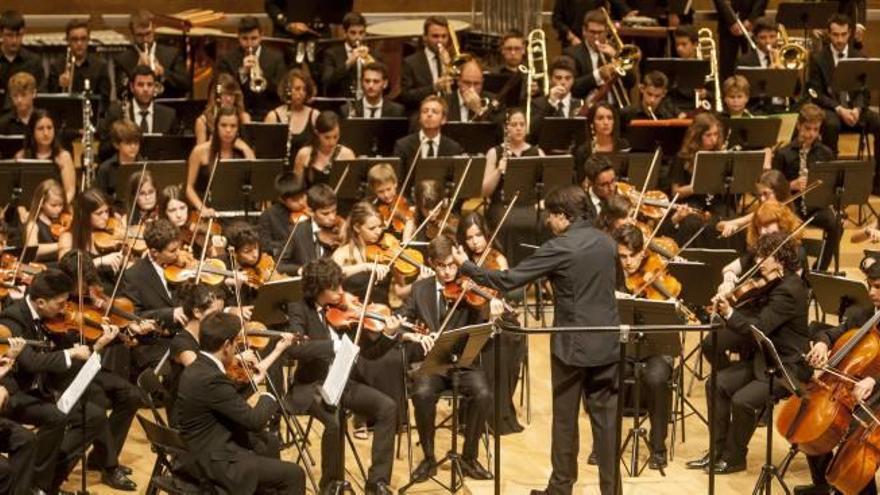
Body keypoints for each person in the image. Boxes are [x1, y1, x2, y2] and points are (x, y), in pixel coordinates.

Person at [451, 184, 621, 495]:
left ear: (563, 216)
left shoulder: (561, 247)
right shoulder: (608, 242)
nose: (547, 223)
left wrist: (467, 267)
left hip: (572, 346)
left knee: (566, 421)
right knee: (607, 424)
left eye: (551, 217)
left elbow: (509, 280)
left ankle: (560, 489)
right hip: (608, 343)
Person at [688, 231, 811, 474]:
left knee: (742, 400)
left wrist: (730, 313)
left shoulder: (790, 289)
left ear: (780, 259)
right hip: (762, 360)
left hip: (785, 365)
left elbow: (760, 327)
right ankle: (716, 452)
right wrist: (730, 296)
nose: (757, 262)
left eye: (763, 257)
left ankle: (734, 457)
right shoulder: (775, 282)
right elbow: (754, 311)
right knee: (716, 384)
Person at [285, 257, 403, 494]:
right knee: (333, 420)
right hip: (311, 386)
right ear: (318, 289)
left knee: (388, 407)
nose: (341, 292)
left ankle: (377, 482)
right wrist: (332, 345)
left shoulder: (343, 311)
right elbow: (294, 349)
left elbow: (369, 353)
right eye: (334, 288)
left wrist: (389, 335)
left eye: (341, 285)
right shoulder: (299, 309)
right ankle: (331, 484)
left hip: (341, 382)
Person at [1, 269, 122, 493]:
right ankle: (35, 484)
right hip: (15, 394)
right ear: (40, 302)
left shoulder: (52, 319)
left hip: (45, 390)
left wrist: (98, 344)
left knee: (94, 416)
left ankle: (50, 479)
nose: (65, 309)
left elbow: (70, 352)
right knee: (55, 418)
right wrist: (71, 354)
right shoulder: (14, 317)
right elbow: (31, 362)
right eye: (60, 303)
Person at [398, 236, 497, 483]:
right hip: (433, 364)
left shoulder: (470, 286)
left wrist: (491, 313)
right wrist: (412, 335)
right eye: (442, 266)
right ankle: (429, 458)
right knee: (421, 394)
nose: (448, 271)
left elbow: (483, 320)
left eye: (452, 265)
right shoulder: (420, 289)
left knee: (484, 394)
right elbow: (402, 320)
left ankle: (469, 457)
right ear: (432, 264)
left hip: (465, 362)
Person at [175, 311, 304, 494]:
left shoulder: (201, 367)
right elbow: (254, 421)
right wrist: (269, 396)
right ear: (226, 345)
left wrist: (257, 377)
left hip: (203, 449)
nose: (238, 349)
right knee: (294, 474)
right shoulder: (211, 378)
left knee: (269, 442)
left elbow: (227, 398)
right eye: (236, 343)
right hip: (216, 463)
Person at [795, 256, 880, 495]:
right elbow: (833, 333)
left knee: (854, 429)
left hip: (876, 391)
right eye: (870, 285)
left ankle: (859, 489)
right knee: (813, 419)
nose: (872, 292)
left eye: (878, 287)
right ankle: (822, 485)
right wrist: (822, 343)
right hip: (852, 388)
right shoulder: (861, 314)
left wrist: (873, 380)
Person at [612, 223, 676, 469]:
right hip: (625, 347)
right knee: (607, 375)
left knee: (656, 379)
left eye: (632, 256)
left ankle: (658, 446)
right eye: (622, 256)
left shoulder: (658, 273)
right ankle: (605, 443)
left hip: (657, 348)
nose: (627, 262)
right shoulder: (613, 275)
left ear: (642, 253)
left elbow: (671, 313)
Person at [456, 212, 525, 435]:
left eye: (479, 235)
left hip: (499, 316)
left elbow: (507, 291)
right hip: (473, 319)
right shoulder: (461, 262)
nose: (475, 241)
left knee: (508, 340)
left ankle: (499, 414)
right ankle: (475, 417)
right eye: (469, 237)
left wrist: (497, 301)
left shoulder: (498, 258)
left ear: (487, 234)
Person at [806, 13, 880, 194]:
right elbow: (815, 93)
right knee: (830, 124)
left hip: (855, 110)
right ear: (828, 34)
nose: (840, 39)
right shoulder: (817, 58)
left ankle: (878, 182)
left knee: (879, 122)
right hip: (832, 109)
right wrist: (839, 109)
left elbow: (864, 91)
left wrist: (857, 108)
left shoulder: (860, 56)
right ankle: (833, 183)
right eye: (835, 34)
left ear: (850, 33)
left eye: (843, 34)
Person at [771, 103, 840, 270]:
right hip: (791, 207)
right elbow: (772, 186)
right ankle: (796, 269)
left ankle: (819, 269)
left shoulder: (825, 153)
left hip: (815, 206)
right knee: (788, 229)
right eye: (807, 128)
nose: (811, 134)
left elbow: (832, 184)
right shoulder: (783, 153)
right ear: (799, 125)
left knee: (836, 224)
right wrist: (790, 185)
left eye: (816, 129)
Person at [483, 107, 545, 264]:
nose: (518, 128)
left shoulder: (537, 152)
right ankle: (508, 269)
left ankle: (539, 272)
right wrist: (498, 170)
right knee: (508, 224)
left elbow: (548, 186)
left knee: (545, 223)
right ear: (506, 128)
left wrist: (542, 202)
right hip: (502, 205)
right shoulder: (494, 152)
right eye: (514, 124)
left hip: (530, 205)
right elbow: (485, 191)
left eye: (522, 124)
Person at [185, 106, 256, 217]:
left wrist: (246, 149)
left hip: (237, 210)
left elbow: (256, 180)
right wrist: (203, 209)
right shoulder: (199, 151)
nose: (228, 130)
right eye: (223, 125)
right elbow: (188, 187)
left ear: (238, 129)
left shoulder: (243, 150)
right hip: (208, 209)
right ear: (216, 127)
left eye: (233, 126)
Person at [98, 65, 177, 161]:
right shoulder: (116, 112)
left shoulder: (168, 115)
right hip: (125, 170)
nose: (145, 89)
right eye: (140, 85)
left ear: (155, 87)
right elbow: (103, 150)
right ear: (131, 87)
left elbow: (174, 151)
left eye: (150, 84)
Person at [216, 16, 285, 122]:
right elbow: (224, 88)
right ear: (238, 37)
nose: (249, 44)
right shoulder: (227, 59)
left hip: (269, 113)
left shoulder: (276, 58)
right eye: (245, 39)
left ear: (261, 36)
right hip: (238, 115)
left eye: (254, 38)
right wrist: (242, 73)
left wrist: (262, 77)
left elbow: (281, 91)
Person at [113, 10, 190, 98]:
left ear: (154, 29)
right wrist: (136, 71)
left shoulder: (172, 53)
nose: (145, 39)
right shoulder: (122, 59)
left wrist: (164, 72)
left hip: (167, 105)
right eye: (140, 35)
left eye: (148, 33)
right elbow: (121, 93)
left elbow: (186, 85)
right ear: (132, 34)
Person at [564, 9, 634, 102]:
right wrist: (598, 75)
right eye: (592, 32)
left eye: (600, 32)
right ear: (584, 31)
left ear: (606, 31)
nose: (596, 36)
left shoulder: (615, 51)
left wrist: (617, 56)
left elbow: (631, 82)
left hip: (614, 108)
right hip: (586, 107)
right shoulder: (571, 54)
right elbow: (572, 88)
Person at [392, 95, 465, 178]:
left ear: (443, 119)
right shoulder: (403, 145)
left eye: (435, 112)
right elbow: (398, 179)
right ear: (420, 118)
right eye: (425, 111)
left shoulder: (453, 148)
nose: (429, 114)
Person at [14, 109, 76, 203]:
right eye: (40, 128)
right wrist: (22, 211)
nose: (46, 133)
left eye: (49, 128)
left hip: (57, 209)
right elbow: (16, 191)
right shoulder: (21, 157)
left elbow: (70, 191)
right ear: (32, 131)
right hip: (27, 209)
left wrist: (58, 208)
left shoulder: (64, 156)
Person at [47, 19, 110, 110]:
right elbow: (50, 102)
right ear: (68, 41)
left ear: (88, 40)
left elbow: (104, 101)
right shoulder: (56, 67)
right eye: (74, 39)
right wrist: (59, 86)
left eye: (83, 39)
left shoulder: (100, 66)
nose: (79, 43)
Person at [399, 16, 454, 111]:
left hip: (450, 112)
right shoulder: (410, 62)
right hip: (421, 113)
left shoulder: (454, 60)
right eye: (435, 36)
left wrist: (449, 66)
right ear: (424, 37)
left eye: (444, 36)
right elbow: (406, 96)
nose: (440, 41)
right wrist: (433, 88)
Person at [321, 12, 381, 98]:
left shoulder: (374, 54)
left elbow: (386, 85)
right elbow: (327, 82)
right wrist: (348, 63)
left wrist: (372, 65)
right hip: (341, 104)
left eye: (361, 33)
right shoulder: (332, 54)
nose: (358, 37)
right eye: (353, 33)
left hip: (366, 102)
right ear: (345, 33)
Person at [265, 68, 319, 163]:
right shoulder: (273, 116)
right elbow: (266, 152)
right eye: (297, 89)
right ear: (287, 90)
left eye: (304, 89)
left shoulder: (314, 115)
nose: (301, 93)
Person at [735, 16, 787, 113]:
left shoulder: (785, 57)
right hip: (757, 109)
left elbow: (797, 89)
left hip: (783, 107)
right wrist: (768, 74)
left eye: (772, 36)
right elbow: (742, 91)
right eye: (763, 37)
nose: (768, 41)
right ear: (755, 38)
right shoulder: (744, 61)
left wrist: (783, 72)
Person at [292, 110, 355, 187]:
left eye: (335, 137)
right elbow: (296, 188)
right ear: (317, 133)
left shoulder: (347, 154)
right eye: (327, 137)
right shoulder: (304, 154)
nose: (332, 142)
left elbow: (351, 187)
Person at [528, 55, 584, 137]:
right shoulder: (537, 104)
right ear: (550, 80)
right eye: (558, 78)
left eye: (568, 78)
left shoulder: (580, 104)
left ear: (573, 80)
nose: (563, 82)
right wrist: (550, 104)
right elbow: (533, 133)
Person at [713, 0, 767, 81]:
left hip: (752, 25)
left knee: (754, 65)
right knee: (727, 69)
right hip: (727, 26)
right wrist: (731, 21)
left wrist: (751, 19)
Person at [573, 101, 630, 175]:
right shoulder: (584, 151)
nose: (606, 122)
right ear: (592, 123)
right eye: (600, 118)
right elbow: (580, 181)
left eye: (609, 118)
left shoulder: (623, 145)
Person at [194, 72, 252, 145]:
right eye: (225, 94)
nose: (228, 99)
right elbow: (199, 154)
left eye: (231, 94)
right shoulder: (202, 121)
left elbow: (250, 150)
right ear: (216, 96)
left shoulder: (244, 117)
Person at [444, 57, 504, 124]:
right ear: (458, 81)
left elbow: (498, 130)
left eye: (476, 84)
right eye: (467, 83)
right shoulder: (445, 102)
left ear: (482, 82)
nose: (471, 89)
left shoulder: (493, 102)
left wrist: (479, 111)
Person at [552, 0, 633, 48]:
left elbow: (616, 3)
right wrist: (571, 37)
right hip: (572, 42)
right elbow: (556, 20)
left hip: (596, 41)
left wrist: (626, 12)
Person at [95, 119, 142, 201]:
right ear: (116, 145)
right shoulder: (105, 168)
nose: (133, 147)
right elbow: (100, 198)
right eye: (128, 143)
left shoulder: (145, 165)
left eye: (136, 143)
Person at [368, 162, 415, 241]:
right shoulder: (371, 206)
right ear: (373, 190)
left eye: (389, 189)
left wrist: (402, 217)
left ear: (395, 184)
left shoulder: (406, 201)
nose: (386, 195)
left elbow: (414, 228)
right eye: (381, 191)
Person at [22, 178, 67, 261]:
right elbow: (33, 250)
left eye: (61, 205)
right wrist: (61, 244)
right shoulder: (33, 224)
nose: (59, 209)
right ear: (41, 203)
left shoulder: (64, 220)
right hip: (44, 267)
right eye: (53, 205)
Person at [0, 10, 43, 97]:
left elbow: (41, 95)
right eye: (9, 35)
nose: (14, 40)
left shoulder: (33, 62)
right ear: (1, 34)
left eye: (18, 35)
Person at [340, 61, 405, 118]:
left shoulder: (397, 111)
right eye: (367, 81)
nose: (370, 86)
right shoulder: (347, 110)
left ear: (385, 83)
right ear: (362, 82)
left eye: (376, 81)